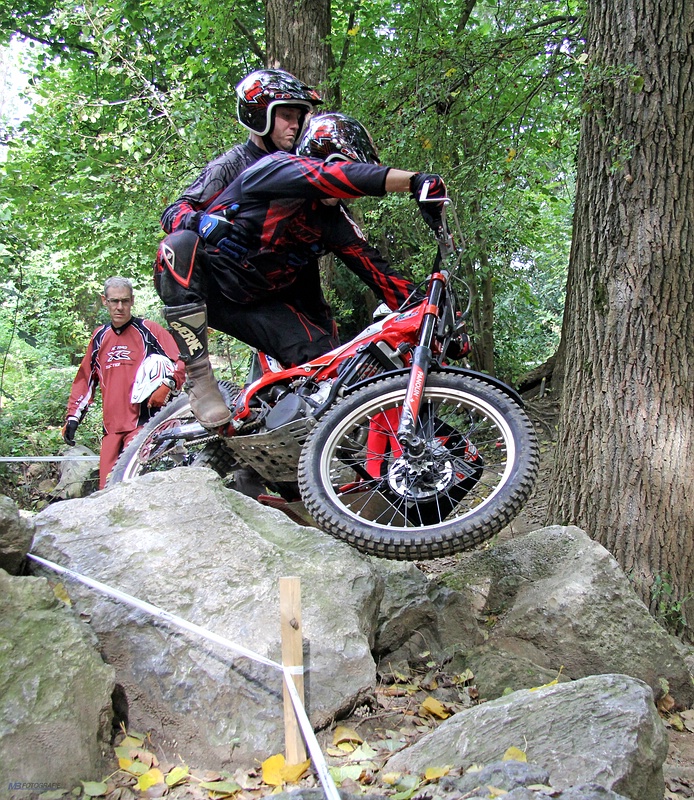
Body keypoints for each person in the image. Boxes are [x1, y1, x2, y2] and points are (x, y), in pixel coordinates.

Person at [154, 112, 447, 431]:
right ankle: (199, 377)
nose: (347, 187)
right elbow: (328, 177)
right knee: (179, 245)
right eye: (342, 167)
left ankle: (269, 454)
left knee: (329, 368)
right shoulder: (273, 169)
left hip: (262, 305)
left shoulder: (334, 221)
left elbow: (380, 275)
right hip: (211, 284)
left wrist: (435, 317)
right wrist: (413, 180)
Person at [155, 67, 324, 430]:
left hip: (274, 298)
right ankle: (200, 376)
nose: (294, 126)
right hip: (222, 288)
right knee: (178, 245)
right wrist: (201, 223)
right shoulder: (232, 164)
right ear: (260, 115)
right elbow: (174, 213)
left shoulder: (305, 170)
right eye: (286, 116)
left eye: (299, 117)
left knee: (324, 361)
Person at [62, 277, 185, 489]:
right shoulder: (100, 337)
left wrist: (168, 385)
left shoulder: (149, 330)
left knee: (133, 489)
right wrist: (73, 417)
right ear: (104, 301)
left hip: (143, 426)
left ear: (132, 301)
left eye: (125, 301)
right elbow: (85, 379)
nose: (120, 307)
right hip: (111, 429)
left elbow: (182, 360)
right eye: (114, 301)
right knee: (106, 492)